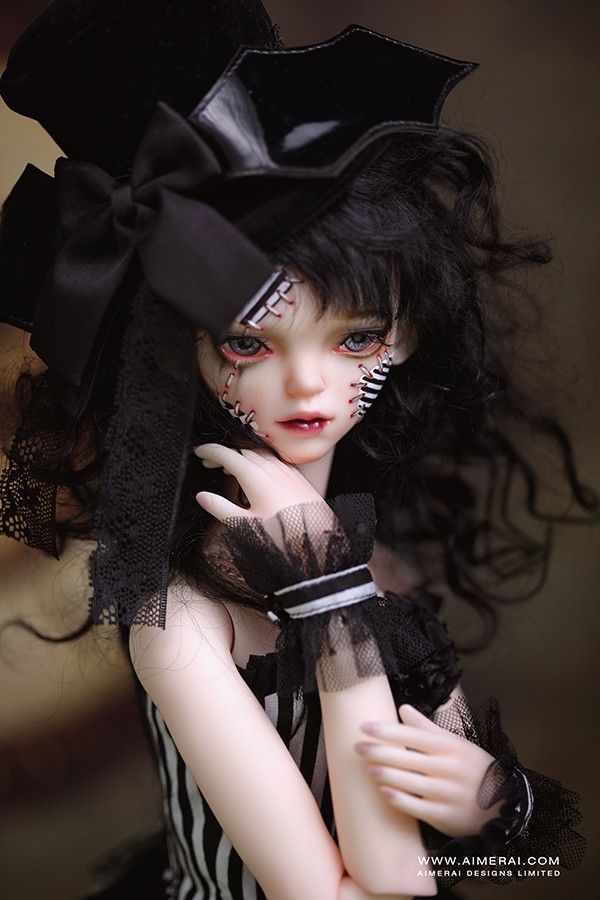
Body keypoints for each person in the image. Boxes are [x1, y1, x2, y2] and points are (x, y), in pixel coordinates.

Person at [0, 1, 594, 898]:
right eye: (249, 343)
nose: (310, 386)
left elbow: (465, 864)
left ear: (406, 337)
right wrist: (327, 591)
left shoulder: (381, 558)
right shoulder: (181, 624)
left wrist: (501, 805)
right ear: (181, 356)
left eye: (357, 338)